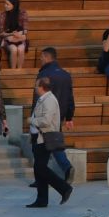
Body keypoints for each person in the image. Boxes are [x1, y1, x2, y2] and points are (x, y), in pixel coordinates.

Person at [25, 75, 72, 208]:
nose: (35, 88)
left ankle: (64, 188)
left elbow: (45, 121)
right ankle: (42, 199)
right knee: (38, 169)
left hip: (45, 138)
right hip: (38, 139)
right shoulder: (43, 99)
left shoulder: (49, 100)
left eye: (36, 85)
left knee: (40, 168)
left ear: (42, 87)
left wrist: (31, 120)